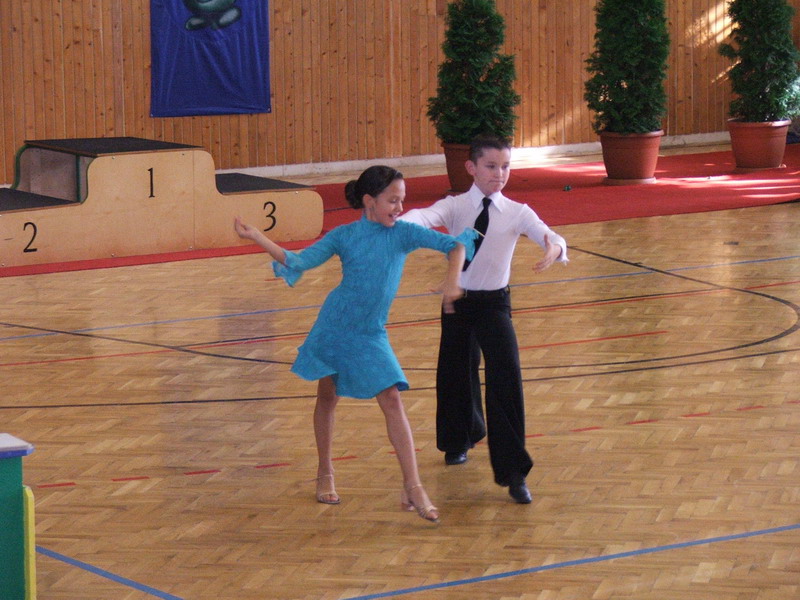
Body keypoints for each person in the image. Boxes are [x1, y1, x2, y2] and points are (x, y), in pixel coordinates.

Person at [234, 165, 475, 523]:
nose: (399, 208)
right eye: (392, 200)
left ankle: (413, 486)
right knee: (327, 397)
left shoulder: (404, 233)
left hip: (371, 333)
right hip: (335, 326)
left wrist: (453, 281)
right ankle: (325, 472)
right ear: (369, 200)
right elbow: (297, 261)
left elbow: (455, 245)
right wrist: (256, 236)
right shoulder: (344, 236)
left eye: (402, 200)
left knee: (392, 398)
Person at [401, 134, 568, 504]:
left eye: (505, 166)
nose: (499, 174)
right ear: (471, 167)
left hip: (494, 305)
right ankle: (457, 440)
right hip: (457, 302)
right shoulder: (455, 206)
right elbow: (424, 216)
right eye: (491, 166)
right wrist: (400, 222)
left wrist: (554, 248)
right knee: (455, 372)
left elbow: (549, 234)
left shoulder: (517, 211)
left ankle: (514, 474)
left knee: (506, 377)